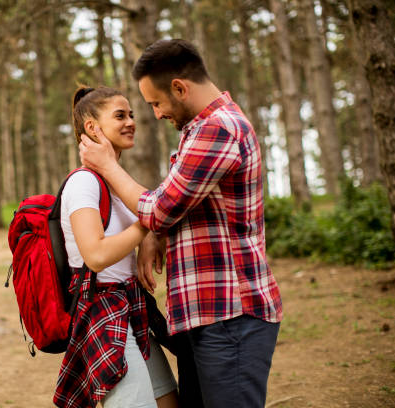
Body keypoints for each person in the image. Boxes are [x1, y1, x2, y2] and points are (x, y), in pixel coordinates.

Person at [78, 39, 283, 408]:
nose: (154, 114)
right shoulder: (197, 131)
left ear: (179, 88)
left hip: (230, 314)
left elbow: (160, 209)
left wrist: (108, 166)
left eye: (156, 103)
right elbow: (174, 205)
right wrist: (155, 232)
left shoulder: (218, 129)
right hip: (210, 315)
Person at [53, 85, 179, 408]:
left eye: (131, 115)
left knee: (167, 401)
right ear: (92, 127)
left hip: (131, 311)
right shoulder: (84, 183)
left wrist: (151, 234)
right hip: (103, 313)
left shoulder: (113, 182)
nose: (131, 122)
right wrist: (145, 224)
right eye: (120, 116)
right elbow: (95, 256)